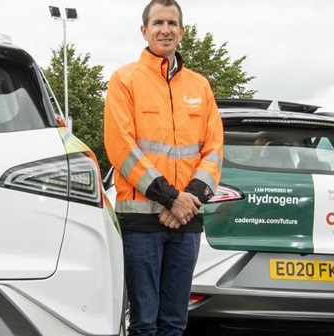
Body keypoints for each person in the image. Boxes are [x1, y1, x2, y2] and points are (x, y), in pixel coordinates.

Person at [102, 0, 223, 335]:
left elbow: (214, 151)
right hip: (142, 223)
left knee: (174, 322)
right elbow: (121, 149)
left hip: (186, 221)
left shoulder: (200, 86)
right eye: (158, 23)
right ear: (144, 31)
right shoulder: (124, 80)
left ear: (182, 31)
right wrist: (172, 198)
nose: (165, 30)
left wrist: (188, 200)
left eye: (171, 23)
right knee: (143, 322)